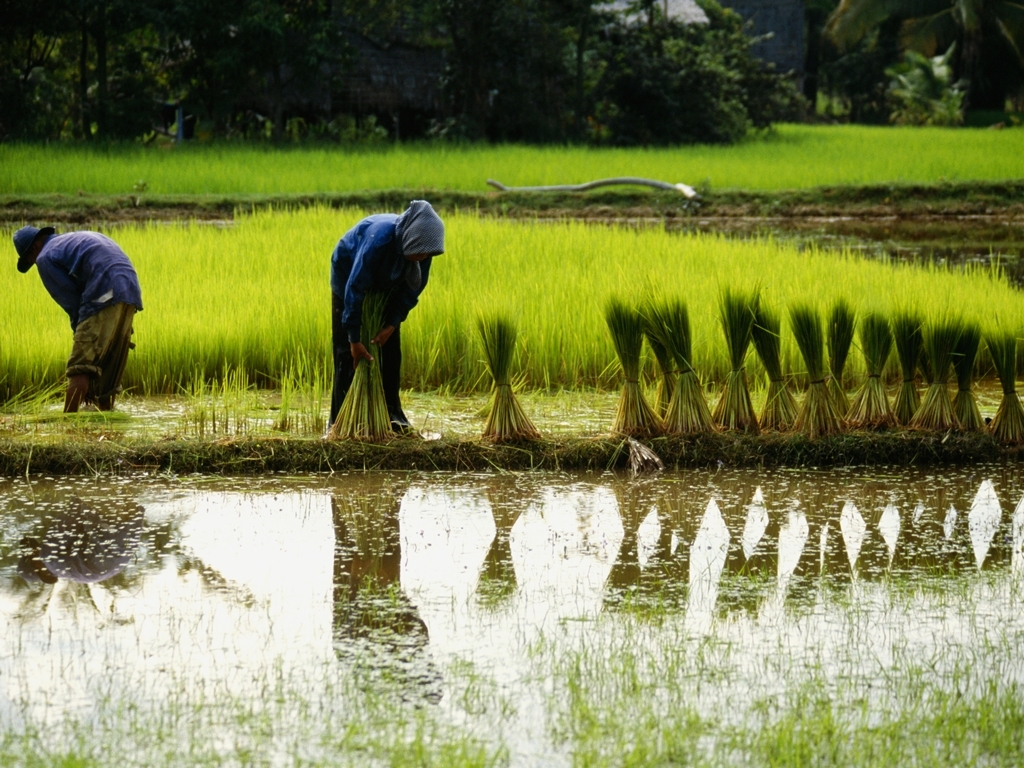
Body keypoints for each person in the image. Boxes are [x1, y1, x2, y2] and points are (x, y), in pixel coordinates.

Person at [329, 200, 444, 433]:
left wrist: (392, 324)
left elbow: (413, 290)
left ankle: (392, 418)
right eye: (419, 251)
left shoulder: (422, 252)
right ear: (410, 239)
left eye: (427, 253)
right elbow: (355, 287)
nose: (423, 257)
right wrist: (353, 339)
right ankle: (340, 422)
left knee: (391, 353)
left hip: (389, 283)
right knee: (346, 357)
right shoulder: (380, 240)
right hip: (348, 275)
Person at [13, 226, 143, 413]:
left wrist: (81, 334)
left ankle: (68, 425)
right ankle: (107, 419)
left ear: (32, 250)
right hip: (130, 290)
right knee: (109, 365)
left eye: (29, 260)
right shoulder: (71, 240)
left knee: (80, 366)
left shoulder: (45, 257)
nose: (34, 263)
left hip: (104, 291)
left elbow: (72, 302)